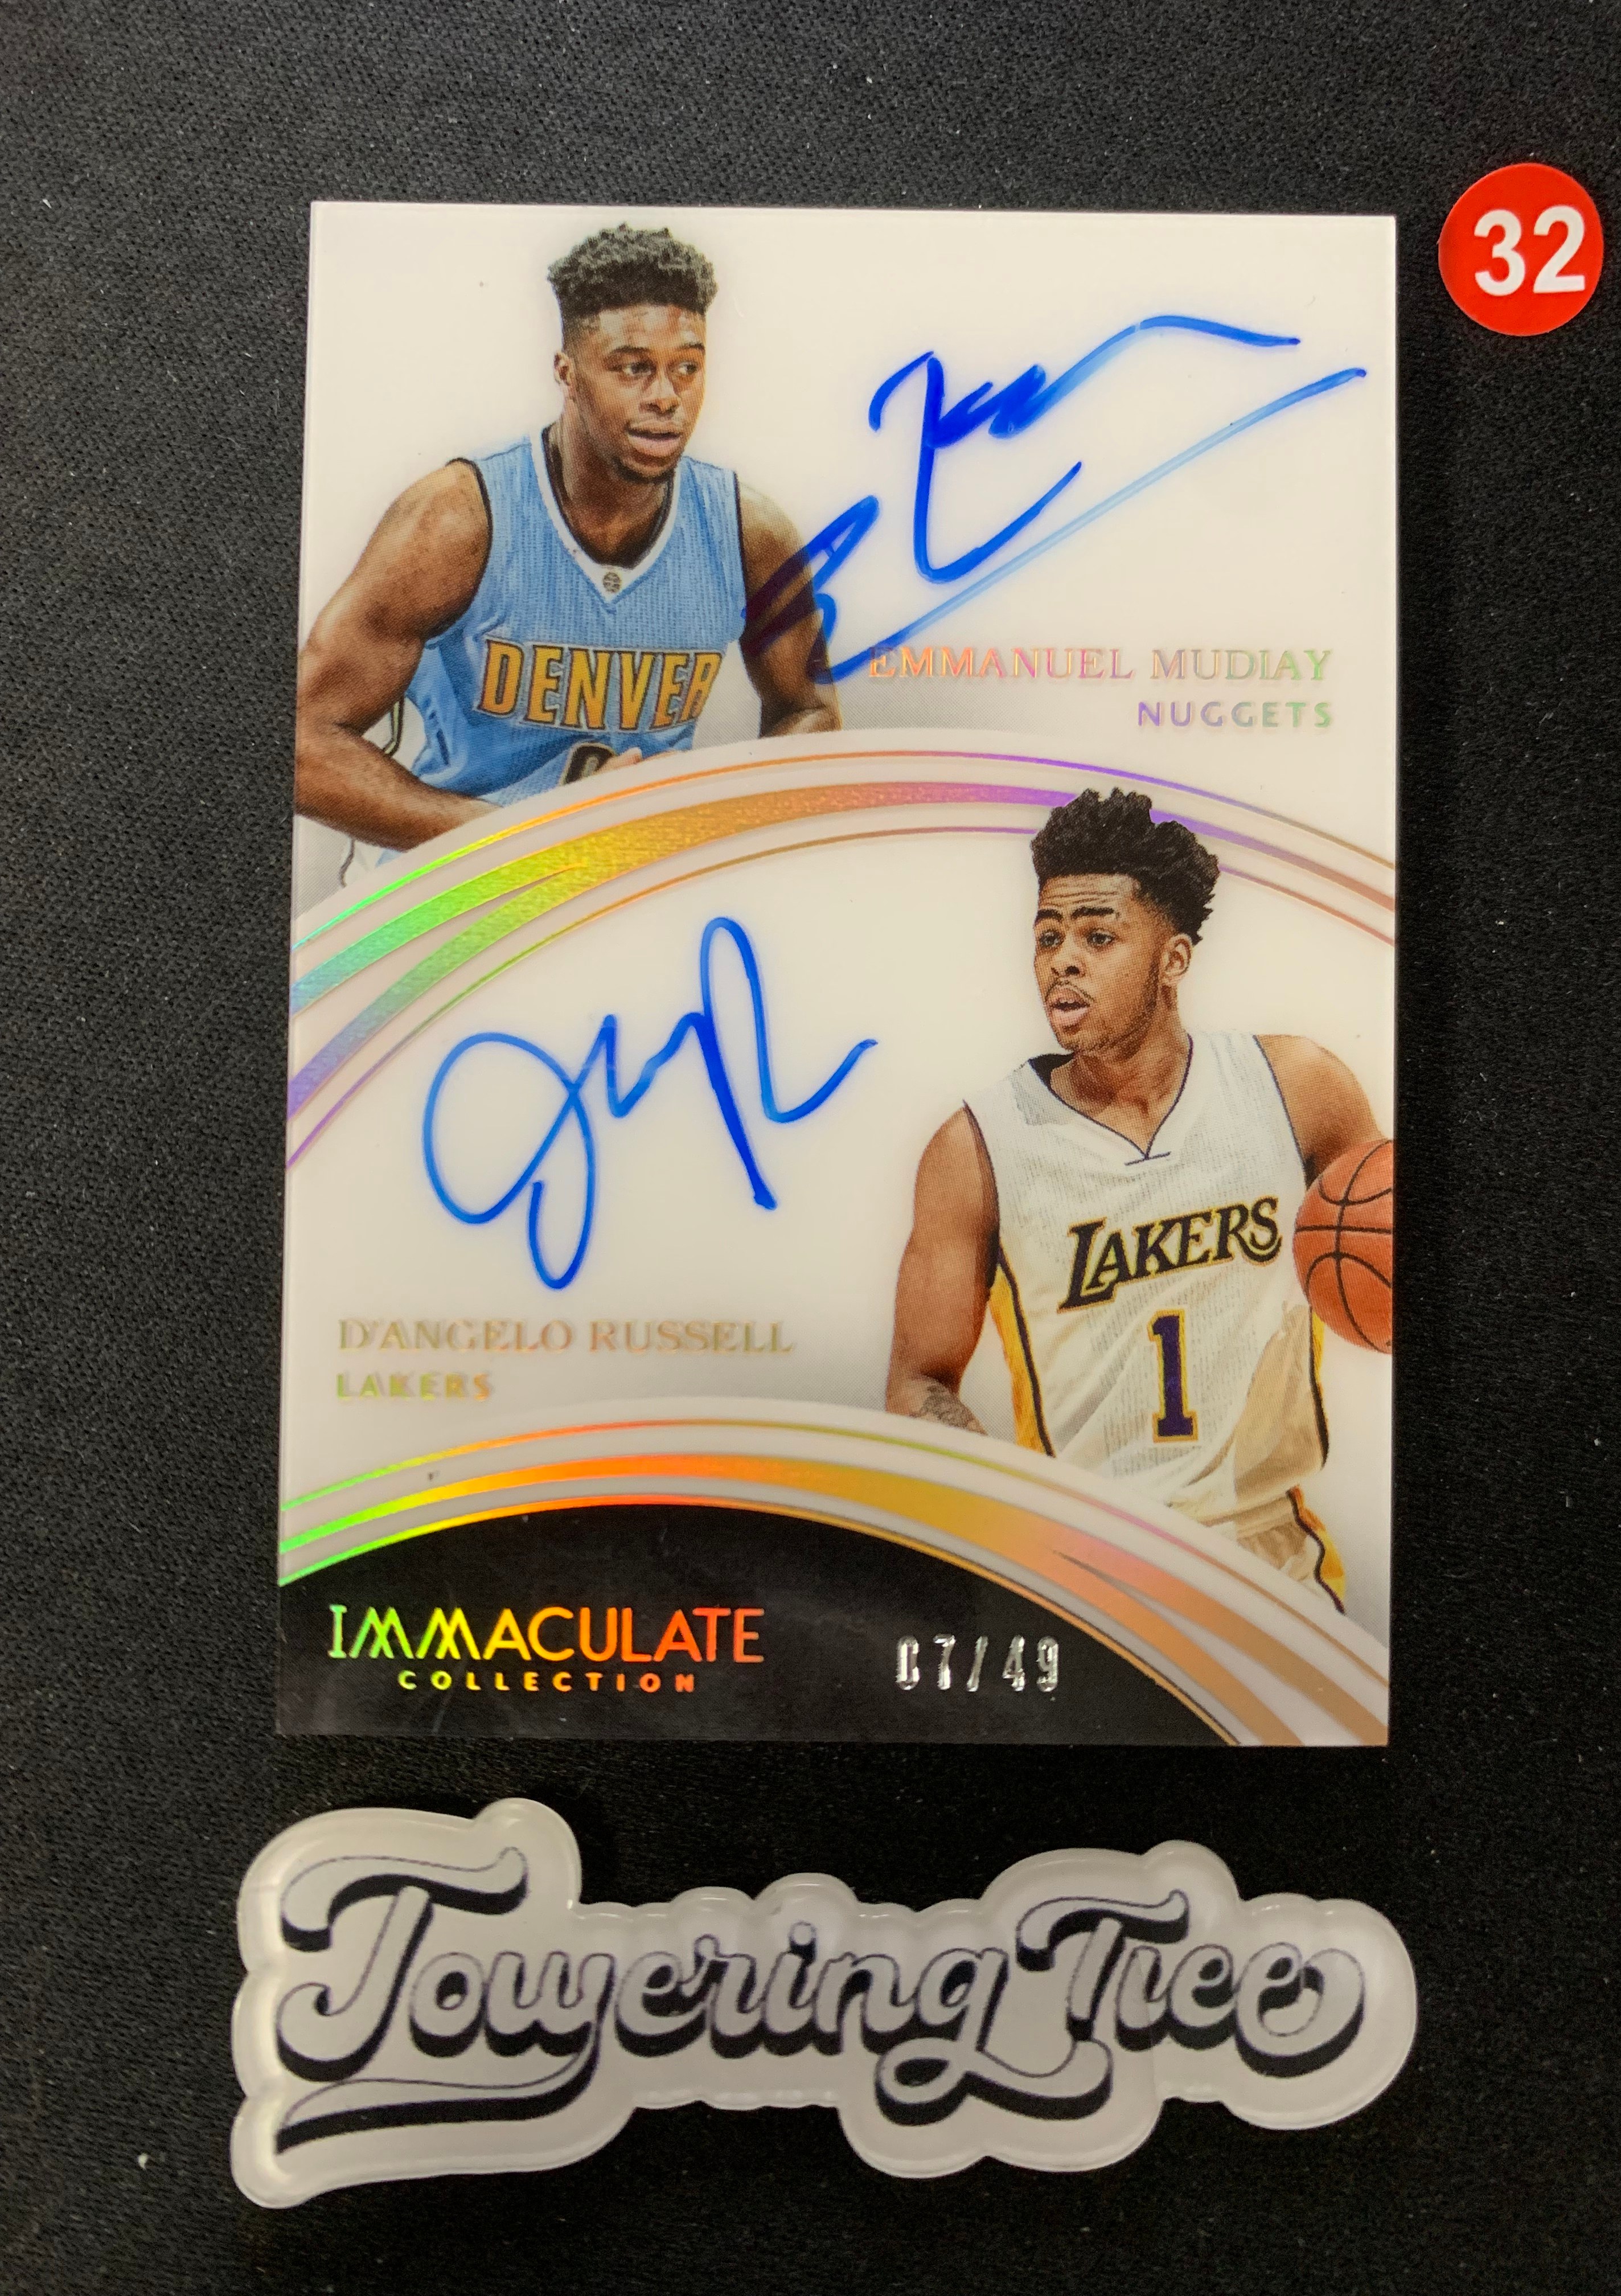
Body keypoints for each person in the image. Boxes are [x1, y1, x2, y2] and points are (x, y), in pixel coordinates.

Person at [884, 786, 1383, 1604]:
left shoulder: (1298, 1089)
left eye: (1098, 936)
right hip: (1091, 1587)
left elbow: (1391, 1270)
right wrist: (1007, 1511)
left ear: (1174, 959)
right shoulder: (976, 1150)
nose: (1062, 960)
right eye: (1047, 937)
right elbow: (918, 1385)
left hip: (1278, 1580)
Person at [294, 223, 838, 853]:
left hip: (621, 881)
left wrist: (703, 814)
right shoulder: (457, 519)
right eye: (633, 368)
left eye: (687, 368)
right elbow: (303, 745)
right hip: (456, 878)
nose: (666, 397)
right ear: (568, 373)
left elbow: (812, 712)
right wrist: (534, 840)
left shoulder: (749, 533)